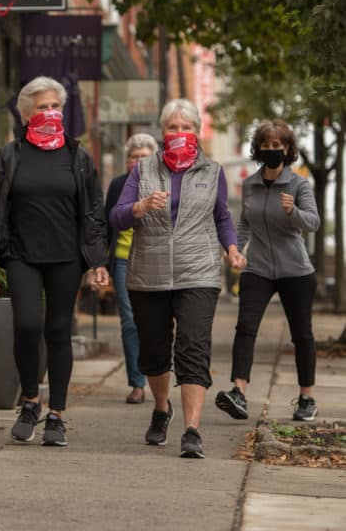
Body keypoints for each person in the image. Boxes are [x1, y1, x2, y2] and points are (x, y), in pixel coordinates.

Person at [0, 76, 109, 446]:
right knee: (26, 324)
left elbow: (94, 211)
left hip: (67, 257)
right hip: (21, 254)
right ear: (25, 115)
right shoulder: (10, 156)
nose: (50, 112)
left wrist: (97, 259)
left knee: (58, 330)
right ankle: (31, 401)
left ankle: (57, 415)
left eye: (55, 106)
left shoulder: (78, 157)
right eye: (42, 107)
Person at [110, 98, 245, 458]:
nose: (180, 134)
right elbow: (117, 217)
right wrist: (139, 207)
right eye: (173, 127)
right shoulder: (143, 171)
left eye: (187, 128)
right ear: (163, 131)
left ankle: (192, 431)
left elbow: (222, 217)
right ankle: (161, 408)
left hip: (198, 272)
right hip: (149, 273)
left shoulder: (212, 171)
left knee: (193, 349)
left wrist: (231, 248)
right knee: (153, 354)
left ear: (197, 132)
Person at [215, 120, 320, 422]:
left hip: (296, 270)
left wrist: (293, 212)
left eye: (278, 146)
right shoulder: (250, 184)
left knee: (302, 334)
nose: (272, 150)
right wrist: (235, 249)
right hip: (258, 267)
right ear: (258, 149)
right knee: (245, 328)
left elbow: (312, 222)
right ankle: (239, 393)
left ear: (287, 150)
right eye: (267, 145)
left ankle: (306, 398)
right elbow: (245, 223)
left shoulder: (299, 185)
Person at [105, 133, 159, 404]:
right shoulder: (117, 185)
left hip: (155, 259)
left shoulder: (162, 184)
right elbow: (108, 223)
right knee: (129, 321)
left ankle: (156, 375)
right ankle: (137, 383)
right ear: (127, 160)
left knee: (154, 322)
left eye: (144, 156)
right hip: (124, 259)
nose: (138, 161)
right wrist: (100, 265)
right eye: (133, 156)